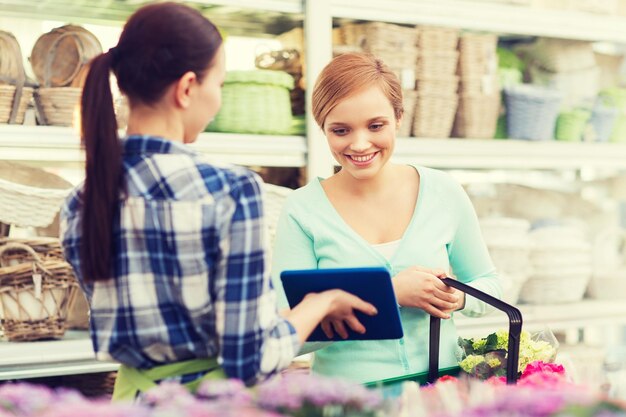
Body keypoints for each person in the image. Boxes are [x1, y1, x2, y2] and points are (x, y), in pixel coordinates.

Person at [60, 3, 377, 401]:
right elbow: (250, 357)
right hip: (209, 404)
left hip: (132, 403)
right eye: (220, 85)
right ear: (188, 87)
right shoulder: (229, 190)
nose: (218, 102)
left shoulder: (80, 201)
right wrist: (321, 302)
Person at [271, 52, 502, 384]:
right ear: (322, 128)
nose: (359, 143)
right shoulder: (302, 210)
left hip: (438, 393)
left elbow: (491, 286)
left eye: (375, 126)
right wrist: (389, 293)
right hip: (348, 400)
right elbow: (286, 333)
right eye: (340, 130)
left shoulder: (443, 192)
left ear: (398, 117)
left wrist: (454, 295)